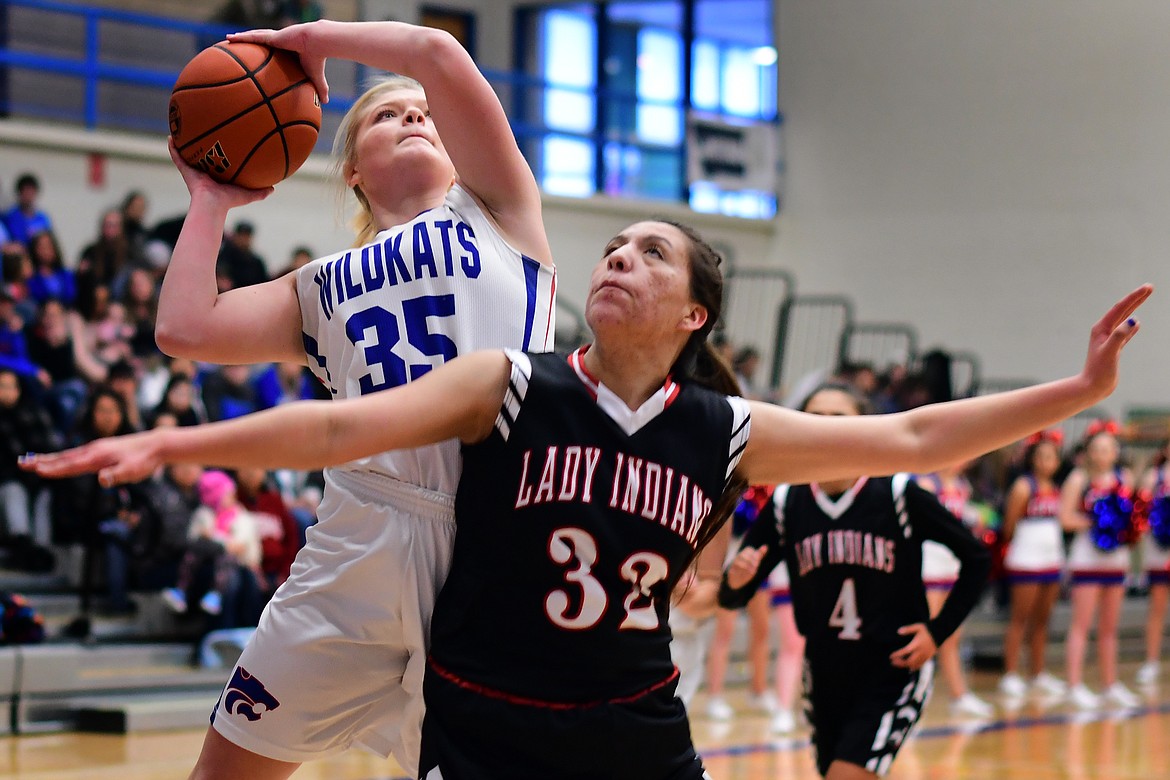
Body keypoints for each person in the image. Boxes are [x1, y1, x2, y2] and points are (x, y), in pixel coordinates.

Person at [21, 220, 1150, 779]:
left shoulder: (725, 431)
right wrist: (175, 439)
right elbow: (329, 426)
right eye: (611, 248)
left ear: (694, 315)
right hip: (484, 713)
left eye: (650, 255)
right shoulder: (508, 384)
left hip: (632, 726)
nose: (618, 259)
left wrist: (1081, 387)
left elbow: (914, 434)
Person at [149, 17, 555, 778]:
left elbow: (437, 53)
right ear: (353, 172)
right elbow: (183, 326)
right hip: (353, 544)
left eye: (423, 114)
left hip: (487, 546)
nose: (412, 117)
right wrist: (207, 197)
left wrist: (309, 36)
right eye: (385, 115)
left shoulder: (502, 211)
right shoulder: (317, 285)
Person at [720, 382, 992, 778]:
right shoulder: (786, 502)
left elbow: (977, 557)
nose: (825, 427)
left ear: (864, 427)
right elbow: (731, 598)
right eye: (814, 416)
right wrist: (736, 579)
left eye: (838, 417)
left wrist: (938, 631)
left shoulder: (898, 494)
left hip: (891, 667)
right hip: (824, 670)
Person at [1059, 420, 1142, 709]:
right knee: (1081, 624)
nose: (1103, 454)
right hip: (1086, 559)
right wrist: (1097, 523)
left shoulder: (1124, 478)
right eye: (1097, 449)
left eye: (1108, 449)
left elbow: (1134, 516)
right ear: (1089, 451)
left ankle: (1109, 684)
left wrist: (1124, 527)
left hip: (1116, 559)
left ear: (1115, 451)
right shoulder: (1078, 479)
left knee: (1110, 626)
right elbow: (1065, 518)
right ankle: (1074, 685)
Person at [916, 461, 995, 717]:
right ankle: (915, 697)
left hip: (952, 565)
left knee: (951, 634)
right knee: (925, 634)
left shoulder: (962, 486)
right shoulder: (926, 483)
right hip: (929, 565)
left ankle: (959, 694)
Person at [998, 429, 1069, 700]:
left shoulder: (1057, 487)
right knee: (1019, 618)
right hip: (1026, 559)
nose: (1047, 462)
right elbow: (1009, 526)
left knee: (1042, 620)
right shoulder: (1024, 486)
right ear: (1032, 459)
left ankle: (1037, 673)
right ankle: (1010, 674)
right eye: (1042, 456)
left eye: (1052, 457)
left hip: (1051, 558)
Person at [702, 486, 779, 722]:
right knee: (724, 631)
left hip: (757, 562)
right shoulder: (735, 487)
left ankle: (758, 690)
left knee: (762, 629)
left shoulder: (771, 491)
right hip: (732, 560)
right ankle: (714, 695)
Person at [1135, 444, 1170, 688]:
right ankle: (1151, 661)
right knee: (1156, 608)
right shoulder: (1153, 477)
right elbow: (1140, 513)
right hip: (1159, 551)